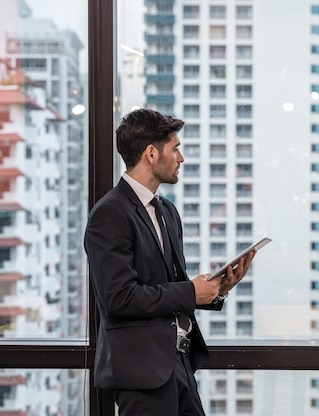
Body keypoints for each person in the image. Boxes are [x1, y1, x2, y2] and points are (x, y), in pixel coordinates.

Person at [84, 108, 256, 416]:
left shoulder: (166, 211)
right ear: (151, 153)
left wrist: (217, 288)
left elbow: (169, 290)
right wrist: (191, 292)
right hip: (142, 374)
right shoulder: (110, 214)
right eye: (175, 148)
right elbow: (118, 298)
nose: (181, 158)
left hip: (178, 364)